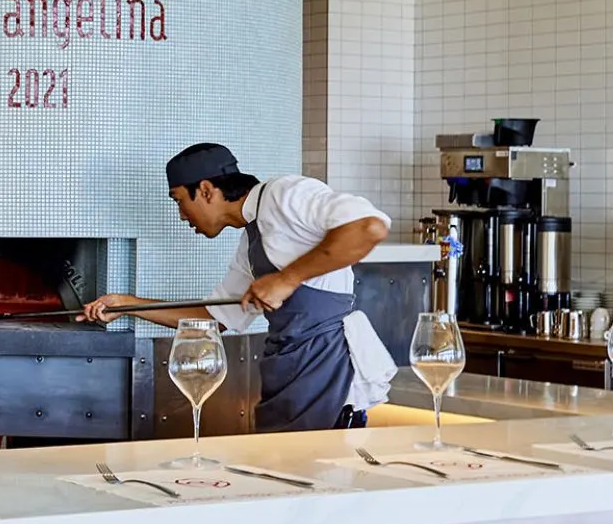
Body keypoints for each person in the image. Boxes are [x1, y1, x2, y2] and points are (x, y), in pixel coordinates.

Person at [80, 142, 396, 432]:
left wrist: (286, 280)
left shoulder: (285, 193)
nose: (181, 216)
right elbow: (214, 317)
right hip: (287, 371)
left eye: (179, 201)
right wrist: (126, 304)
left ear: (205, 190)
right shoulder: (251, 243)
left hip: (327, 369)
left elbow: (369, 227)